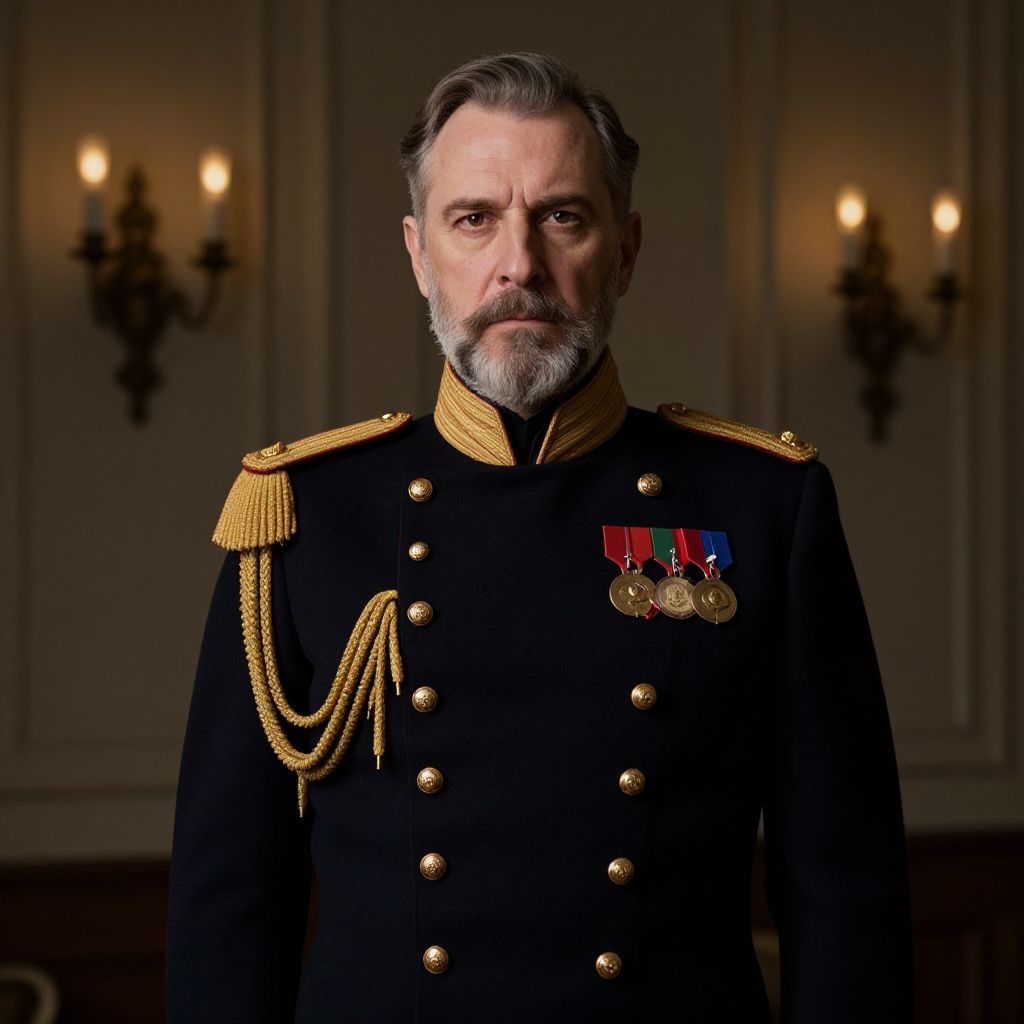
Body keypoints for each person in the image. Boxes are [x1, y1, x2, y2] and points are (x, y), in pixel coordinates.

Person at [166, 52, 913, 1023]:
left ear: (625, 250)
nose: (518, 264)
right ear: (418, 254)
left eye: (562, 216)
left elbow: (845, 893)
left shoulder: (762, 504)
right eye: (473, 218)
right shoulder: (302, 513)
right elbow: (226, 908)